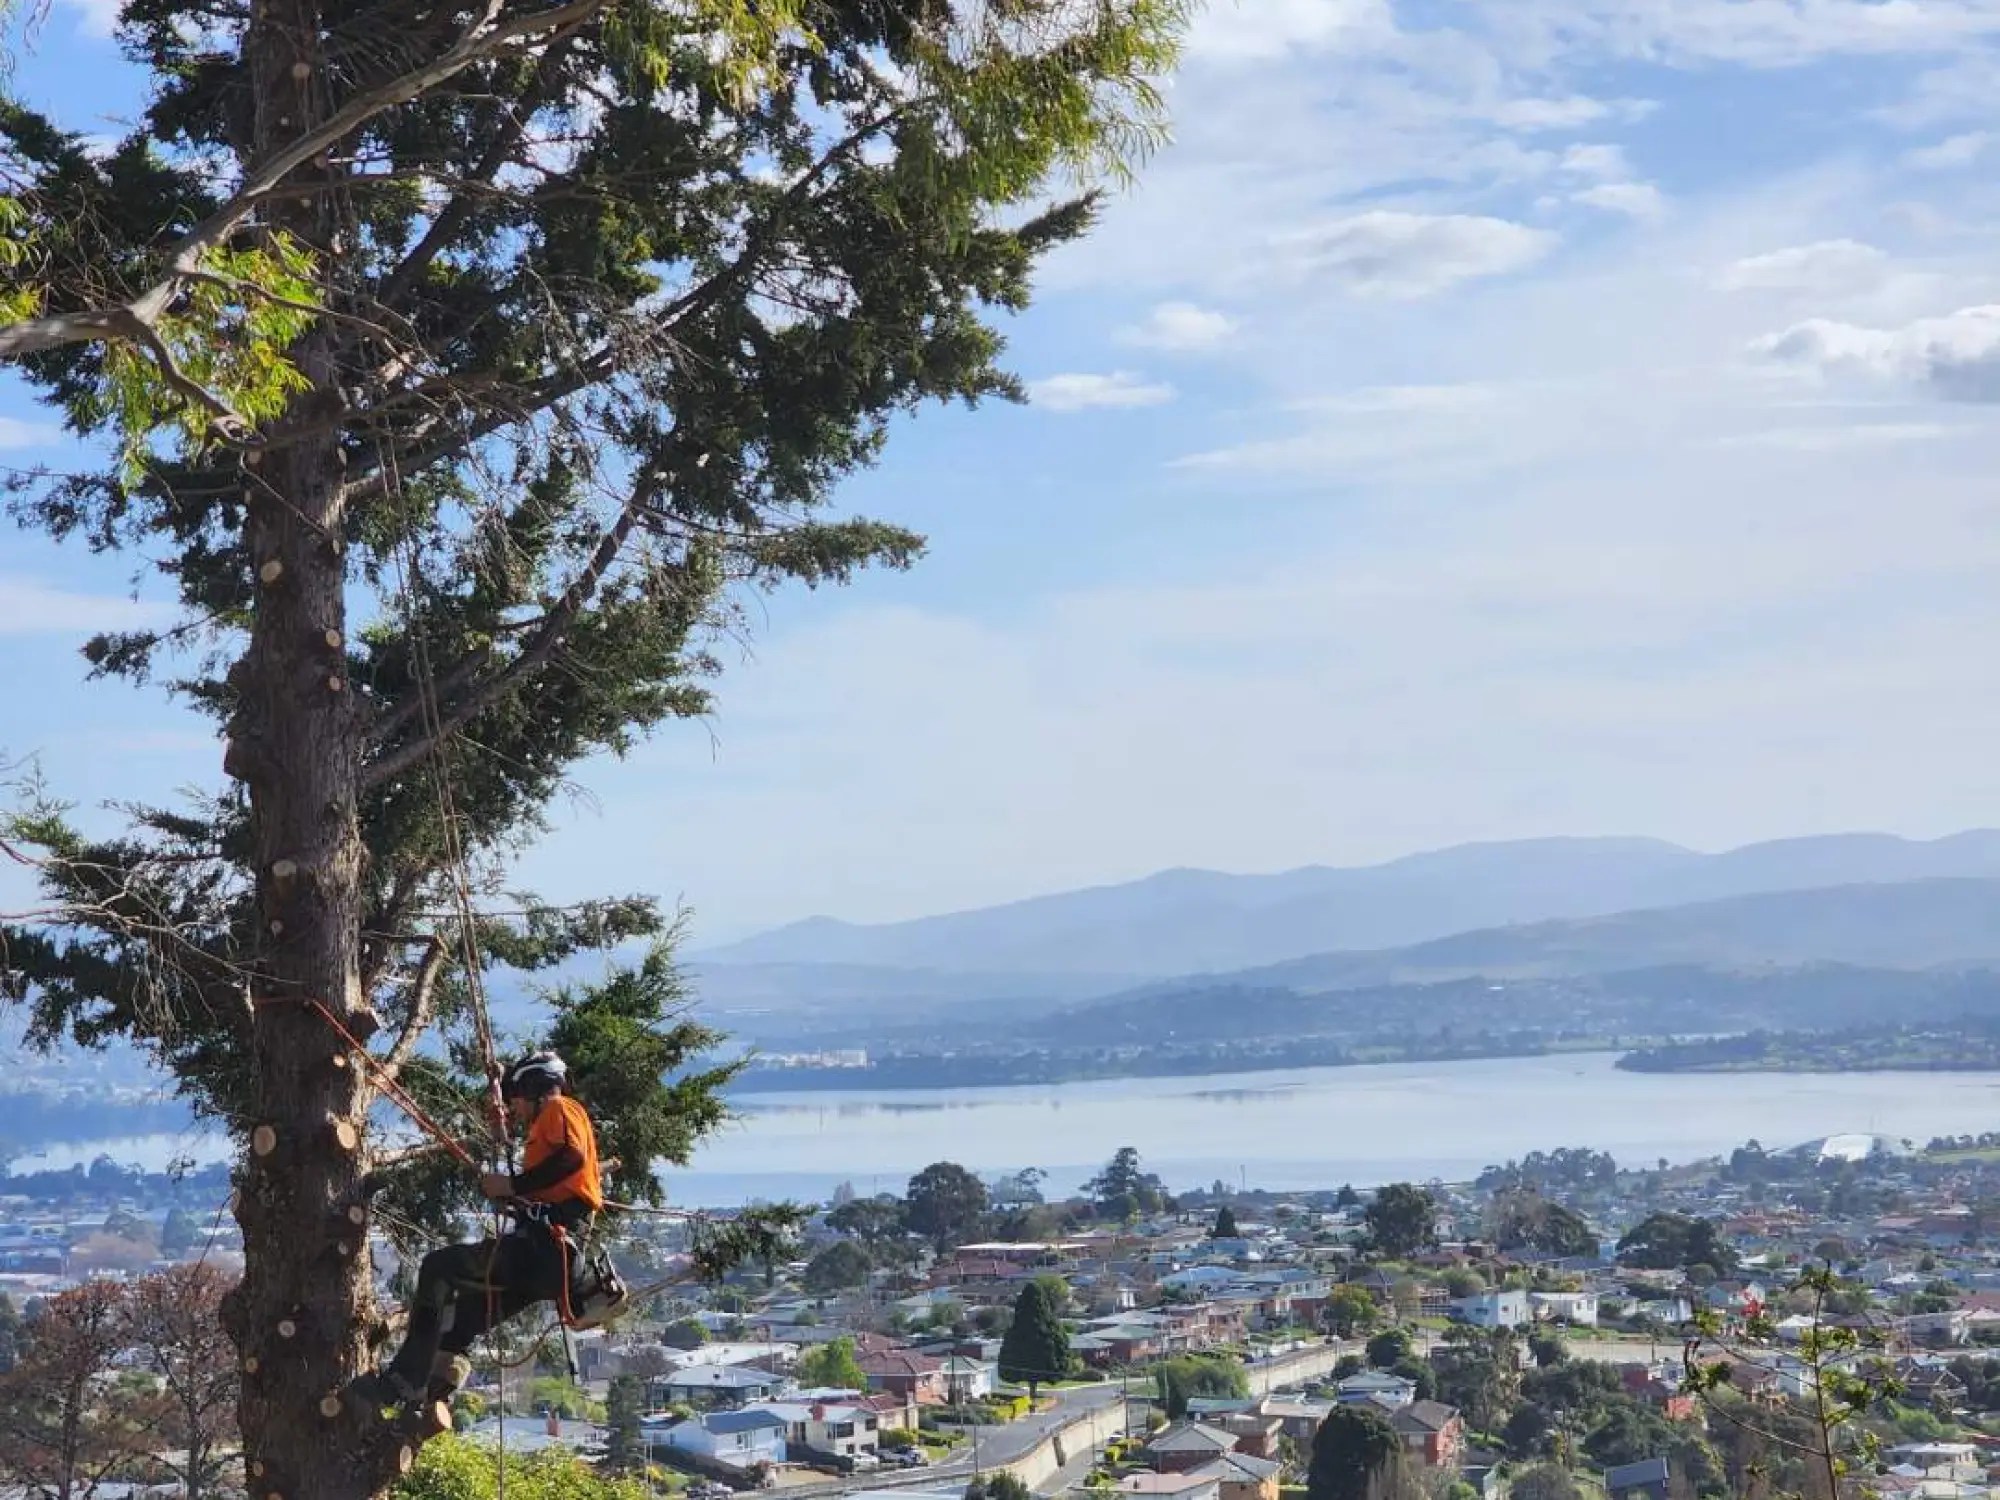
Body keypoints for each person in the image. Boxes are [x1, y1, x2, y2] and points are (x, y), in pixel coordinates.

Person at [351, 1050, 604, 1406]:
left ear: (535, 1088)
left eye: (517, 1099)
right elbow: (556, 1187)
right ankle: (433, 1392)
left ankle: (403, 1381)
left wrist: (512, 1187)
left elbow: (571, 1158)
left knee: (438, 1268)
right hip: (546, 1261)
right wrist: (516, 1199)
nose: (515, 1109)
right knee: (464, 1319)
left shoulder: (558, 1108)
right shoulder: (546, 1126)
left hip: (542, 1250)